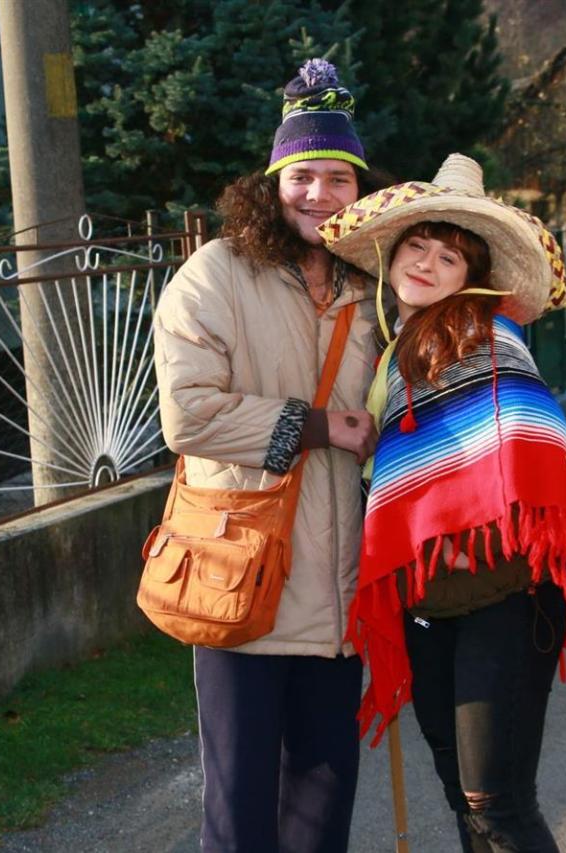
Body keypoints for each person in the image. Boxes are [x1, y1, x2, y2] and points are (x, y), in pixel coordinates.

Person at [321, 154, 566, 853]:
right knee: (464, 797)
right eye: (417, 246)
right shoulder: (395, 349)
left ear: (469, 277)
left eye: (448, 257)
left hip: (507, 596)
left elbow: (539, 444)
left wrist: (470, 522)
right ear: (393, 253)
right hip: (431, 599)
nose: (427, 263)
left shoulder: (481, 338)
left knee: (496, 802)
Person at [152, 59, 379, 852]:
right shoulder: (215, 275)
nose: (319, 194)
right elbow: (187, 413)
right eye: (302, 176)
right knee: (240, 812)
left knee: (323, 808)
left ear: (360, 189)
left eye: (338, 178)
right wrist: (318, 427)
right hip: (241, 582)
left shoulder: (372, 284)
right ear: (273, 181)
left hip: (342, 595)